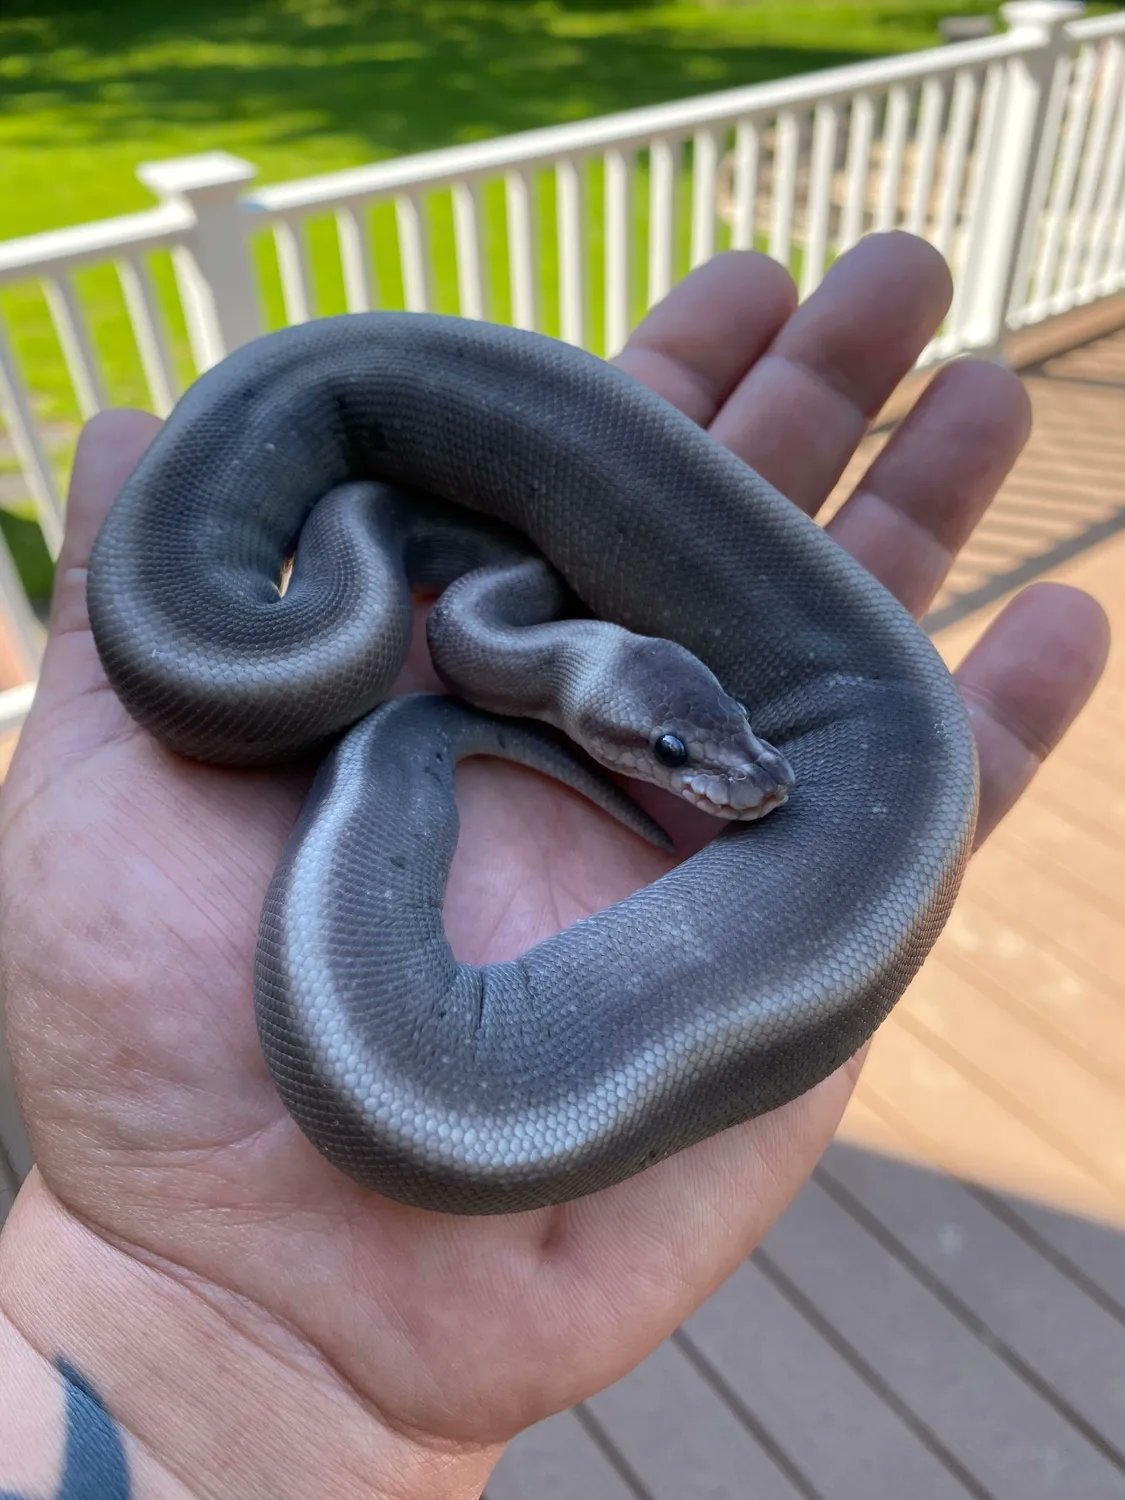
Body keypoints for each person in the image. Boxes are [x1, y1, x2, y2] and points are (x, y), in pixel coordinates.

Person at [0, 233, 1108, 1499]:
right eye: (685, 755)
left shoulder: (536, 645)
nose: (737, 780)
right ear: (583, 690)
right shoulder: (454, 641)